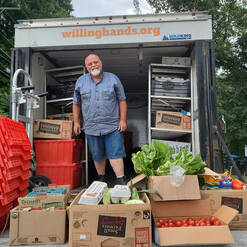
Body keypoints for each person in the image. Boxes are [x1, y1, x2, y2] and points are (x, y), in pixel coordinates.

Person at [73, 54, 127, 185]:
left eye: (95, 62)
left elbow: (122, 100)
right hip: (91, 127)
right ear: (86, 67)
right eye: (90, 64)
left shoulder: (113, 79)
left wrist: (123, 120)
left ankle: (121, 180)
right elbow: (76, 103)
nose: (93, 65)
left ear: (101, 63)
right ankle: (101, 179)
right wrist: (76, 122)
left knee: (116, 153)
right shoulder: (80, 81)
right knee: (97, 155)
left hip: (113, 125)